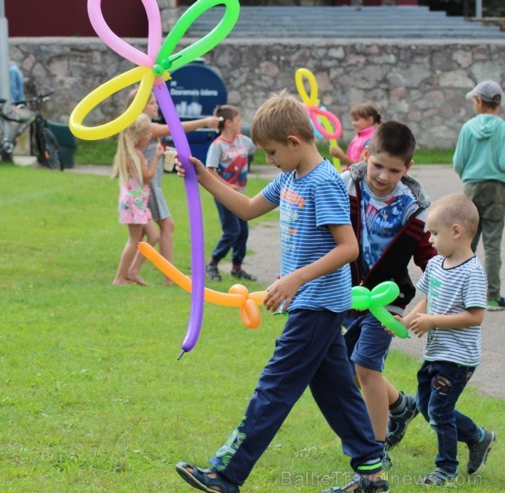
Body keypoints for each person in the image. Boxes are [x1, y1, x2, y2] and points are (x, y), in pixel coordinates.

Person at [173, 91, 388, 493]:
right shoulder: (290, 176)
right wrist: (204, 177)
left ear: (294, 141)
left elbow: (348, 248)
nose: (269, 161)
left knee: (274, 387)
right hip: (312, 303)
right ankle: (371, 475)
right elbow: (249, 207)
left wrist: (295, 279)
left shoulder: (323, 183)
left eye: (272, 152)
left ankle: (226, 473)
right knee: (336, 391)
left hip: (317, 304)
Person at [340, 121, 437, 462]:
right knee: (345, 371)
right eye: (377, 165)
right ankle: (401, 405)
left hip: (388, 303)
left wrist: (422, 307)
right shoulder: (345, 187)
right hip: (348, 295)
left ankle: (374, 450)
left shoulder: (416, 210)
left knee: (366, 368)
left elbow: (433, 264)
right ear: (366, 155)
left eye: (394, 170)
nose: (382, 176)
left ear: (407, 168)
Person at [395, 194, 496, 486]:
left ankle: (446, 469)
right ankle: (479, 437)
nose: (430, 239)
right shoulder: (437, 264)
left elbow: (475, 316)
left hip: (458, 358)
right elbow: (428, 297)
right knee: (428, 408)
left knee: (439, 411)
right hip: (436, 352)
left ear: (456, 231)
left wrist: (432, 322)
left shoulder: (473, 274)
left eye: (435, 233)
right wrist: (409, 319)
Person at [126, 90, 220, 286]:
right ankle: (168, 277)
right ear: (140, 105)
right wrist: (204, 122)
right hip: (149, 187)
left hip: (151, 187)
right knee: (166, 226)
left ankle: (132, 272)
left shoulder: (142, 127)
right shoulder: (145, 126)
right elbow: (174, 128)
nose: (156, 106)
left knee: (149, 232)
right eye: (152, 103)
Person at [452, 80, 505, 310]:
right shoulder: (503, 128)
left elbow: (458, 162)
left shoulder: (467, 128)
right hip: (497, 188)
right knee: (492, 243)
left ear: (479, 101)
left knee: (466, 241)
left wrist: (469, 176)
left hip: (471, 186)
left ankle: (461, 294)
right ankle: (492, 296)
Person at [204, 104, 258, 282]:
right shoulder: (217, 146)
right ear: (228, 123)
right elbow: (210, 171)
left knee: (243, 232)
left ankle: (237, 268)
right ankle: (212, 263)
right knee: (232, 231)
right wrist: (227, 186)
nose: (241, 123)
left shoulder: (243, 141)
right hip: (224, 196)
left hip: (240, 196)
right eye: (238, 120)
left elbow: (261, 145)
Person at [112, 113, 163, 286]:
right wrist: (156, 158)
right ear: (137, 135)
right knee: (134, 240)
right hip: (135, 203)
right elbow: (147, 178)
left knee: (154, 235)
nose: (150, 136)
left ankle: (133, 271)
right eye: (147, 133)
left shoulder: (130, 153)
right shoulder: (136, 155)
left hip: (138, 202)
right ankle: (120, 277)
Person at [330, 104, 381, 170]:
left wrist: (342, 157)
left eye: (356, 120)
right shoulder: (359, 137)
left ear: (369, 120)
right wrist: (347, 168)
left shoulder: (371, 140)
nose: (353, 123)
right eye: (352, 120)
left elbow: (364, 167)